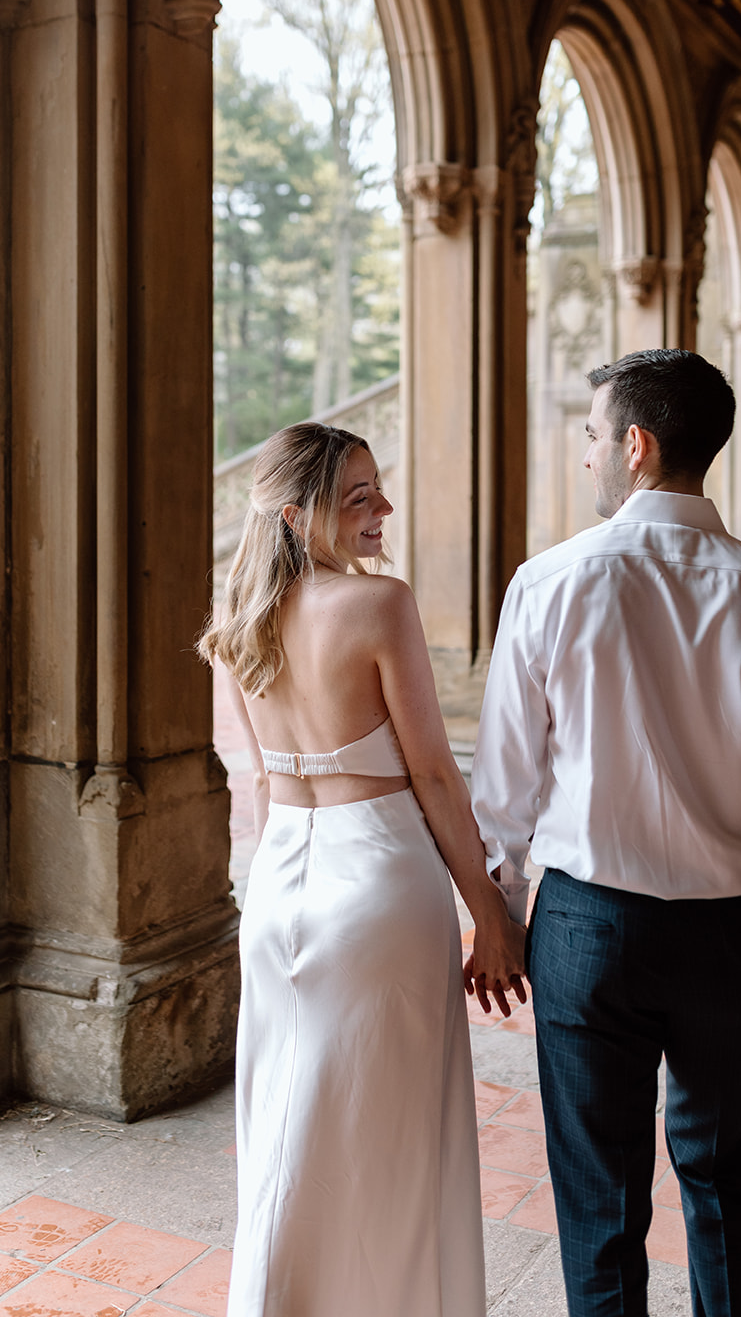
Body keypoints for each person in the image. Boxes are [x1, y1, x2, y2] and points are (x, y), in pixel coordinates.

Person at [470, 348, 741, 1317]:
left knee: (597, 1200)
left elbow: (505, 789)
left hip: (586, 931)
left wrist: (503, 911)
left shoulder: (547, 583)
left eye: (594, 435)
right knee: (724, 1182)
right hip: (730, 930)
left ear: (634, 446)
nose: (587, 451)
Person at [200, 421, 526, 1317]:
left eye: (377, 491)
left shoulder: (239, 622)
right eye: (359, 498)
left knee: (286, 1128)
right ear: (299, 518)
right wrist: (492, 913)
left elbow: (268, 783)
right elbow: (429, 772)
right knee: (390, 1137)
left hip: (278, 886)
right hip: (378, 884)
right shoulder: (380, 606)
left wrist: (273, 886)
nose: (383, 510)